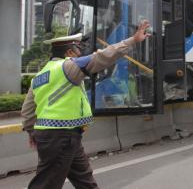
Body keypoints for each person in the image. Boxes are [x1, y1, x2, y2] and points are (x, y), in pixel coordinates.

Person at [21, 21, 151, 189]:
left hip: (64, 137)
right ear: (69, 52)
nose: (80, 53)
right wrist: (133, 40)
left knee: (85, 182)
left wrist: (32, 133)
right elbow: (103, 56)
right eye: (78, 50)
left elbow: (27, 111)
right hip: (61, 137)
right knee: (46, 184)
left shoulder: (40, 75)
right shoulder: (68, 66)